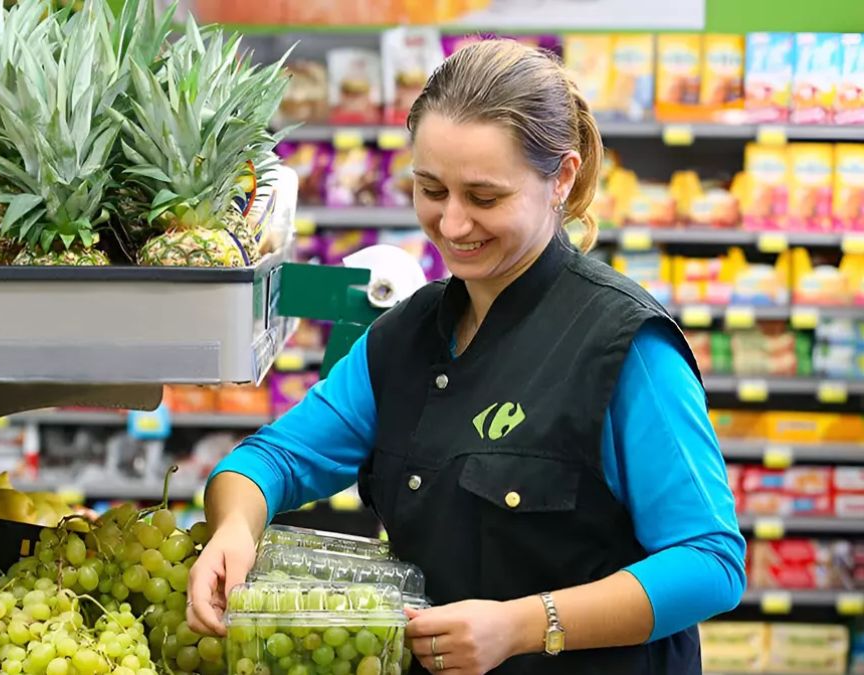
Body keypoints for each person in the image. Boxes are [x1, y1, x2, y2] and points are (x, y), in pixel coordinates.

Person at [186, 39, 746, 675]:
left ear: (560, 178)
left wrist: (525, 625)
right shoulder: (404, 338)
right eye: (431, 189)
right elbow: (272, 460)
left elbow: (710, 562)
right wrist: (236, 527)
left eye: (484, 198)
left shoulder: (622, 345)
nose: (451, 225)